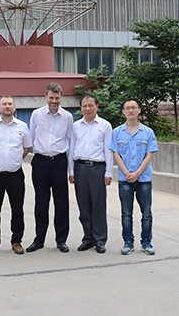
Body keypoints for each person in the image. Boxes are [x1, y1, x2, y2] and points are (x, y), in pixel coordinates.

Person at [26, 82, 74, 253]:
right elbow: (31, 138)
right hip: (40, 162)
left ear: (62, 97)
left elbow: (70, 142)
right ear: (45, 96)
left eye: (57, 98)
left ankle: (61, 240)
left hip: (59, 162)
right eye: (51, 97)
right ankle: (39, 239)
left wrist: (71, 170)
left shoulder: (67, 117)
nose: (54, 101)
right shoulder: (36, 114)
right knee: (41, 202)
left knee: (61, 203)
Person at [0, 96, 32, 256]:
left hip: (15, 174)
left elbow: (26, 148)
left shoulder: (22, 126)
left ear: (14, 107)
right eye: (4, 104)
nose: (7, 106)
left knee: (17, 209)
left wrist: (15, 160)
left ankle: (16, 241)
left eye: (10, 104)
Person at [109, 99, 159, 256]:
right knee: (126, 213)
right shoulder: (117, 132)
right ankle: (128, 242)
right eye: (127, 108)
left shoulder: (148, 132)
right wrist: (126, 173)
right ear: (123, 111)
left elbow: (149, 155)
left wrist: (137, 173)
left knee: (146, 213)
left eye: (133, 107)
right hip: (125, 179)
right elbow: (116, 154)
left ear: (139, 110)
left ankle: (146, 242)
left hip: (144, 179)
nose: (130, 110)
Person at [68, 94, 113, 254]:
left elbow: (108, 149)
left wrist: (108, 172)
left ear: (96, 106)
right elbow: (71, 148)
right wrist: (71, 170)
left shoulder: (105, 125)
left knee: (98, 205)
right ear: (81, 108)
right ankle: (88, 238)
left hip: (97, 169)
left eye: (90, 105)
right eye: (84, 106)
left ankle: (100, 239)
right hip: (80, 168)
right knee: (84, 206)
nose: (87, 109)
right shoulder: (75, 126)